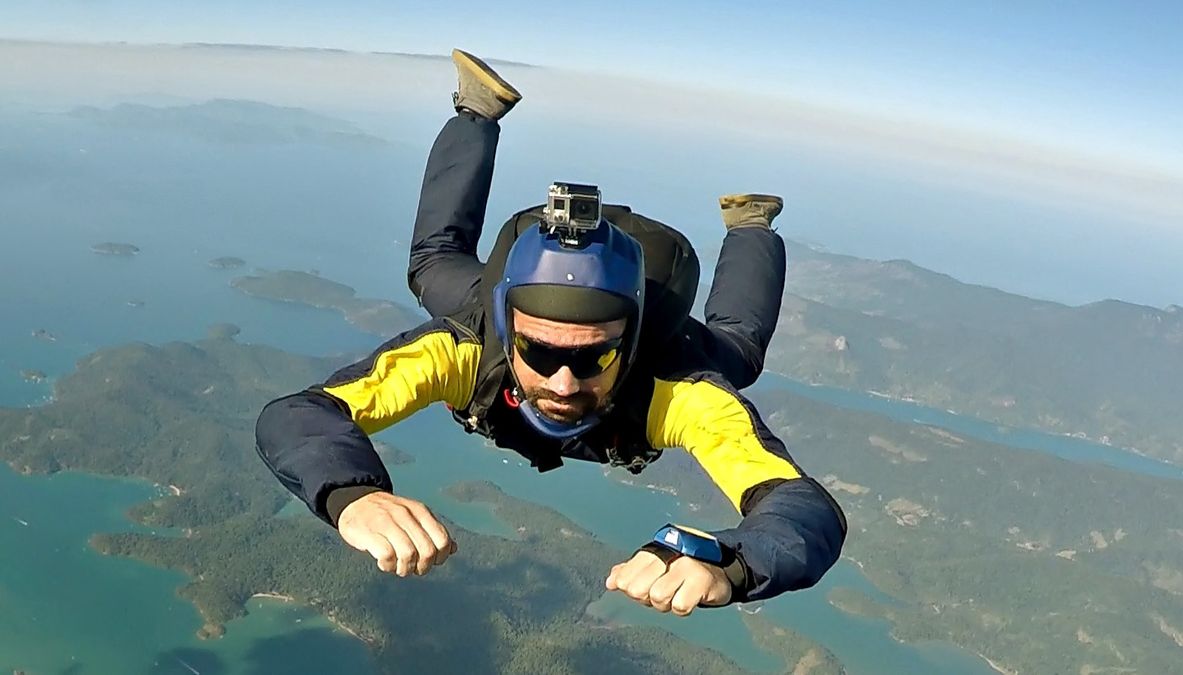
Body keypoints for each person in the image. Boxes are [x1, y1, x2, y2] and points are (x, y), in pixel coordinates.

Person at [255, 49, 846, 617]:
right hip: (496, 311)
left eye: (594, 356)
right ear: (506, 327)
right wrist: (353, 493)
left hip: (639, 335)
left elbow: (803, 511)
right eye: (537, 350)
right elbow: (300, 415)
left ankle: (751, 226)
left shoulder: (676, 390)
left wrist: (732, 562)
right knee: (434, 265)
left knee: (735, 354)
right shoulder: (464, 348)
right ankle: (477, 108)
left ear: (632, 344)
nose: (563, 381)